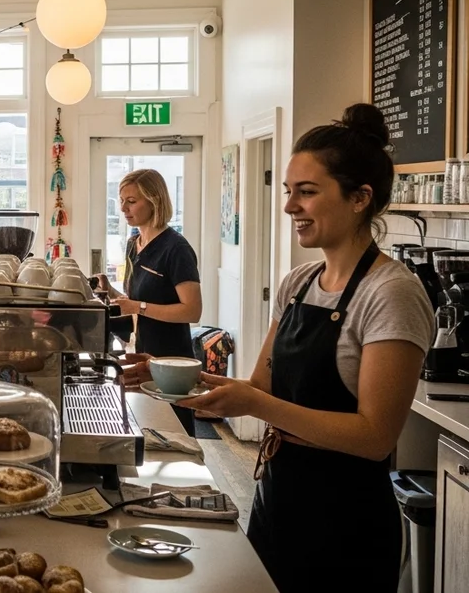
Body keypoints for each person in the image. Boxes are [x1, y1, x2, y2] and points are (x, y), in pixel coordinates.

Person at [178, 104, 434, 592]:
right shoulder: (298, 282)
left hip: (346, 524)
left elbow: (375, 435)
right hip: (278, 499)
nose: (290, 206)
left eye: (307, 192)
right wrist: (180, 376)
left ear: (360, 197)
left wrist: (256, 403)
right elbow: (260, 387)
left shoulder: (390, 293)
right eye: (289, 192)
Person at [97, 168, 202, 435]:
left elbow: (192, 310)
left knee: (174, 437)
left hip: (171, 363)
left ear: (154, 200)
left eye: (131, 201)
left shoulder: (176, 249)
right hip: (143, 353)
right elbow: (135, 301)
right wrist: (110, 290)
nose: (123, 208)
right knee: (145, 432)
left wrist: (138, 306)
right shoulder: (134, 243)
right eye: (121, 200)